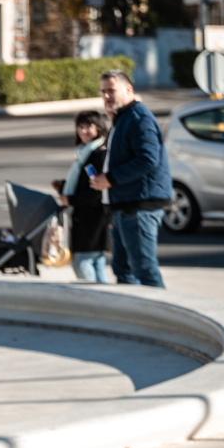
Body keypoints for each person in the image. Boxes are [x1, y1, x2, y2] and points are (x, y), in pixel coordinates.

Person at [89, 69, 173, 288]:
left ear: (128, 89)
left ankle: (161, 318)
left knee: (143, 269)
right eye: (103, 92)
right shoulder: (123, 117)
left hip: (139, 206)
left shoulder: (138, 118)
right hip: (125, 205)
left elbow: (148, 160)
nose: (107, 96)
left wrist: (111, 179)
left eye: (111, 91)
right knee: (123, 270)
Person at [53, 111, 111, 283]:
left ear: (99, 127)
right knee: (96, 261)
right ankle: (106, 302)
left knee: (81, 262)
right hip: (88, 215)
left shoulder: (98, 153)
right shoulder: (85, 153)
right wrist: (63, 186)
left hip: (93, 217)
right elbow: (85, 183)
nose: (84, 131)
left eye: (89, 127)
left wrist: (72, 200)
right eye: (81, 127)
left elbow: (98, 190)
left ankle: (96, 302)